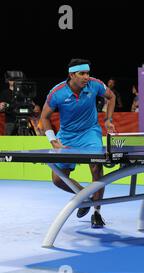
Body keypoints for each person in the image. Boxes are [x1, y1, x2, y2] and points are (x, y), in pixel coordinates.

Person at [40, 59, 116, 228]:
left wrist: (108, 119)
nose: (86, 77)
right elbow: (44, 117)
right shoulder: (57, 93)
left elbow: (111, 97)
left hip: (90, 133)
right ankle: (85, 197)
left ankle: (97, 212)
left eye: (87, 73)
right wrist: (53, 140)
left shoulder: (94, 85)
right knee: (58, 179)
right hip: (67, 136)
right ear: (71, 75)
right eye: (82, 74)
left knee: (97, 167)